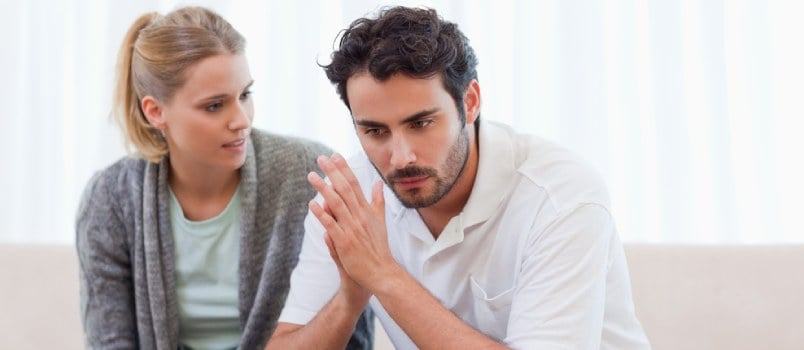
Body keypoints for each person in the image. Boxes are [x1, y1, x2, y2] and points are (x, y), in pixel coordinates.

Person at [267, 6, 651, 350]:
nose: (401, 159)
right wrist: (350, 299)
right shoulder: (349, 197)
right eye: (375, 132)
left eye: (421, 124)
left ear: (469, 103)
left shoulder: (561, 196)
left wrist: (382, 274)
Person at [75, 6, 373, 350]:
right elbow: (110, 341)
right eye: (215, 106)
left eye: (245, 95)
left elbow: (354, 336)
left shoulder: (309, 174)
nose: (241, 120)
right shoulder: (110, 200)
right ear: (155, 111)